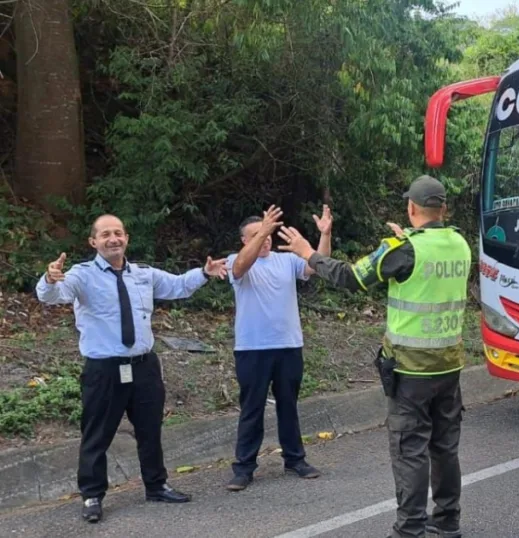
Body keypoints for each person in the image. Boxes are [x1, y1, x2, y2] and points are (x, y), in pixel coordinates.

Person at [276, 175, 471, 538]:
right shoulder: (459, 243)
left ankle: (409, 529)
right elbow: (426, 267)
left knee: (410, 450)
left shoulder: (404, 248)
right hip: (450, 366)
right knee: (445, 447)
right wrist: (403, 242)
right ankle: (447, 521)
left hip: (411, 372)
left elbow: (351, 277)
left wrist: (309, 254)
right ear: (443, 209)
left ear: (411, 208)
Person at [35, 214, 228, 523]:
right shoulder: (80, 275)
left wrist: (204, 273)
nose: (114, 239)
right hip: (104, 370)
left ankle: (156, 485)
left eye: (119, 233)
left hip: (144, 367)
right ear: (93, 242)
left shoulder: (143, 274)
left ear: (126, 238)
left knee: (150, 430)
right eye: (106, 234)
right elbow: (52, 295)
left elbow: (178, 286)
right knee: (97, 435)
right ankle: (92, 496)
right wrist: (49, 278)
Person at [222, 204, 332, 491]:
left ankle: (295, 459)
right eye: (258, 233)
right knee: (252, 408)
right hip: (252, 349)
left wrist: (325, 234)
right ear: (245, 240)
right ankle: (244, 468)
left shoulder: (286, 261)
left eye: (269, 231)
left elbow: (317, 265)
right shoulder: (238, 259)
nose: (267, 236)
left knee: (288, 406)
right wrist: (264, 230)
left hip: (288, 346)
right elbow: (238, 268)